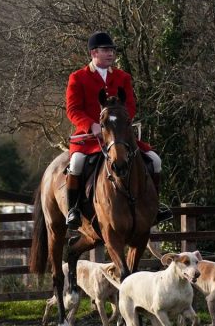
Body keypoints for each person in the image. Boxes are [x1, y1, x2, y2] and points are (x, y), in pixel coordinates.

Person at [65, 31, 171, 230]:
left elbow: (130, 105)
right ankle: (74, 209)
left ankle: (155, 207)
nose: (111, 54)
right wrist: (92, 125)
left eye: (112, 50)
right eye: (106, 50)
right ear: (93, 53)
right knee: (77, 163)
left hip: (120, 136)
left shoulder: (123, 77)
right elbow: (73, 110)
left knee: (155, 160)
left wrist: (122, 122)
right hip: (90, 137)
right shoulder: (78, 78)